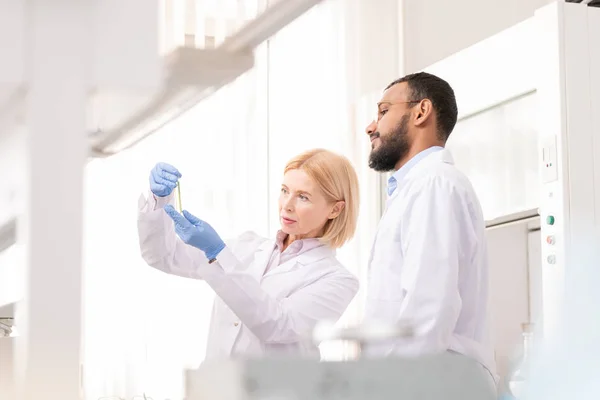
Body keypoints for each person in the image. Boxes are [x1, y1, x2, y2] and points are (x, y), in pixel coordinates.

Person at [137, 148, 360, 360]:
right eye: (285, 191)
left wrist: (218, 253)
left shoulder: (337, 280)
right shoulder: (247, 247)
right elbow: (162, 256)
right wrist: (160, 200)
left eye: (303, 197)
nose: (287, 205)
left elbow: (278, 327)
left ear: (335, 209)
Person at [362, 72, 497, 386]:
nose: (370, 126)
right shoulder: (416, 189)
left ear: (421, 112)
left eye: (383, 112)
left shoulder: (434, 184)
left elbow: (429, 309)